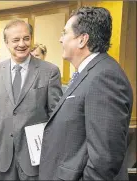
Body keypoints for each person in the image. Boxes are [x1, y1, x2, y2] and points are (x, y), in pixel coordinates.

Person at [39, 7, 133, 180]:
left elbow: (105, 158)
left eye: (65, 33)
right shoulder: (90, 72)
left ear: (82, 40)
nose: (60, 39)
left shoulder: (105, 77)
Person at [0, 19, 63, 180]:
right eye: (16, 40)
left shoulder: (49, 71)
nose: (22, 44)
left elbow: (55, 116)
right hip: (3, 154)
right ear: (6, 42)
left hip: (35, 155)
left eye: (26, 38)